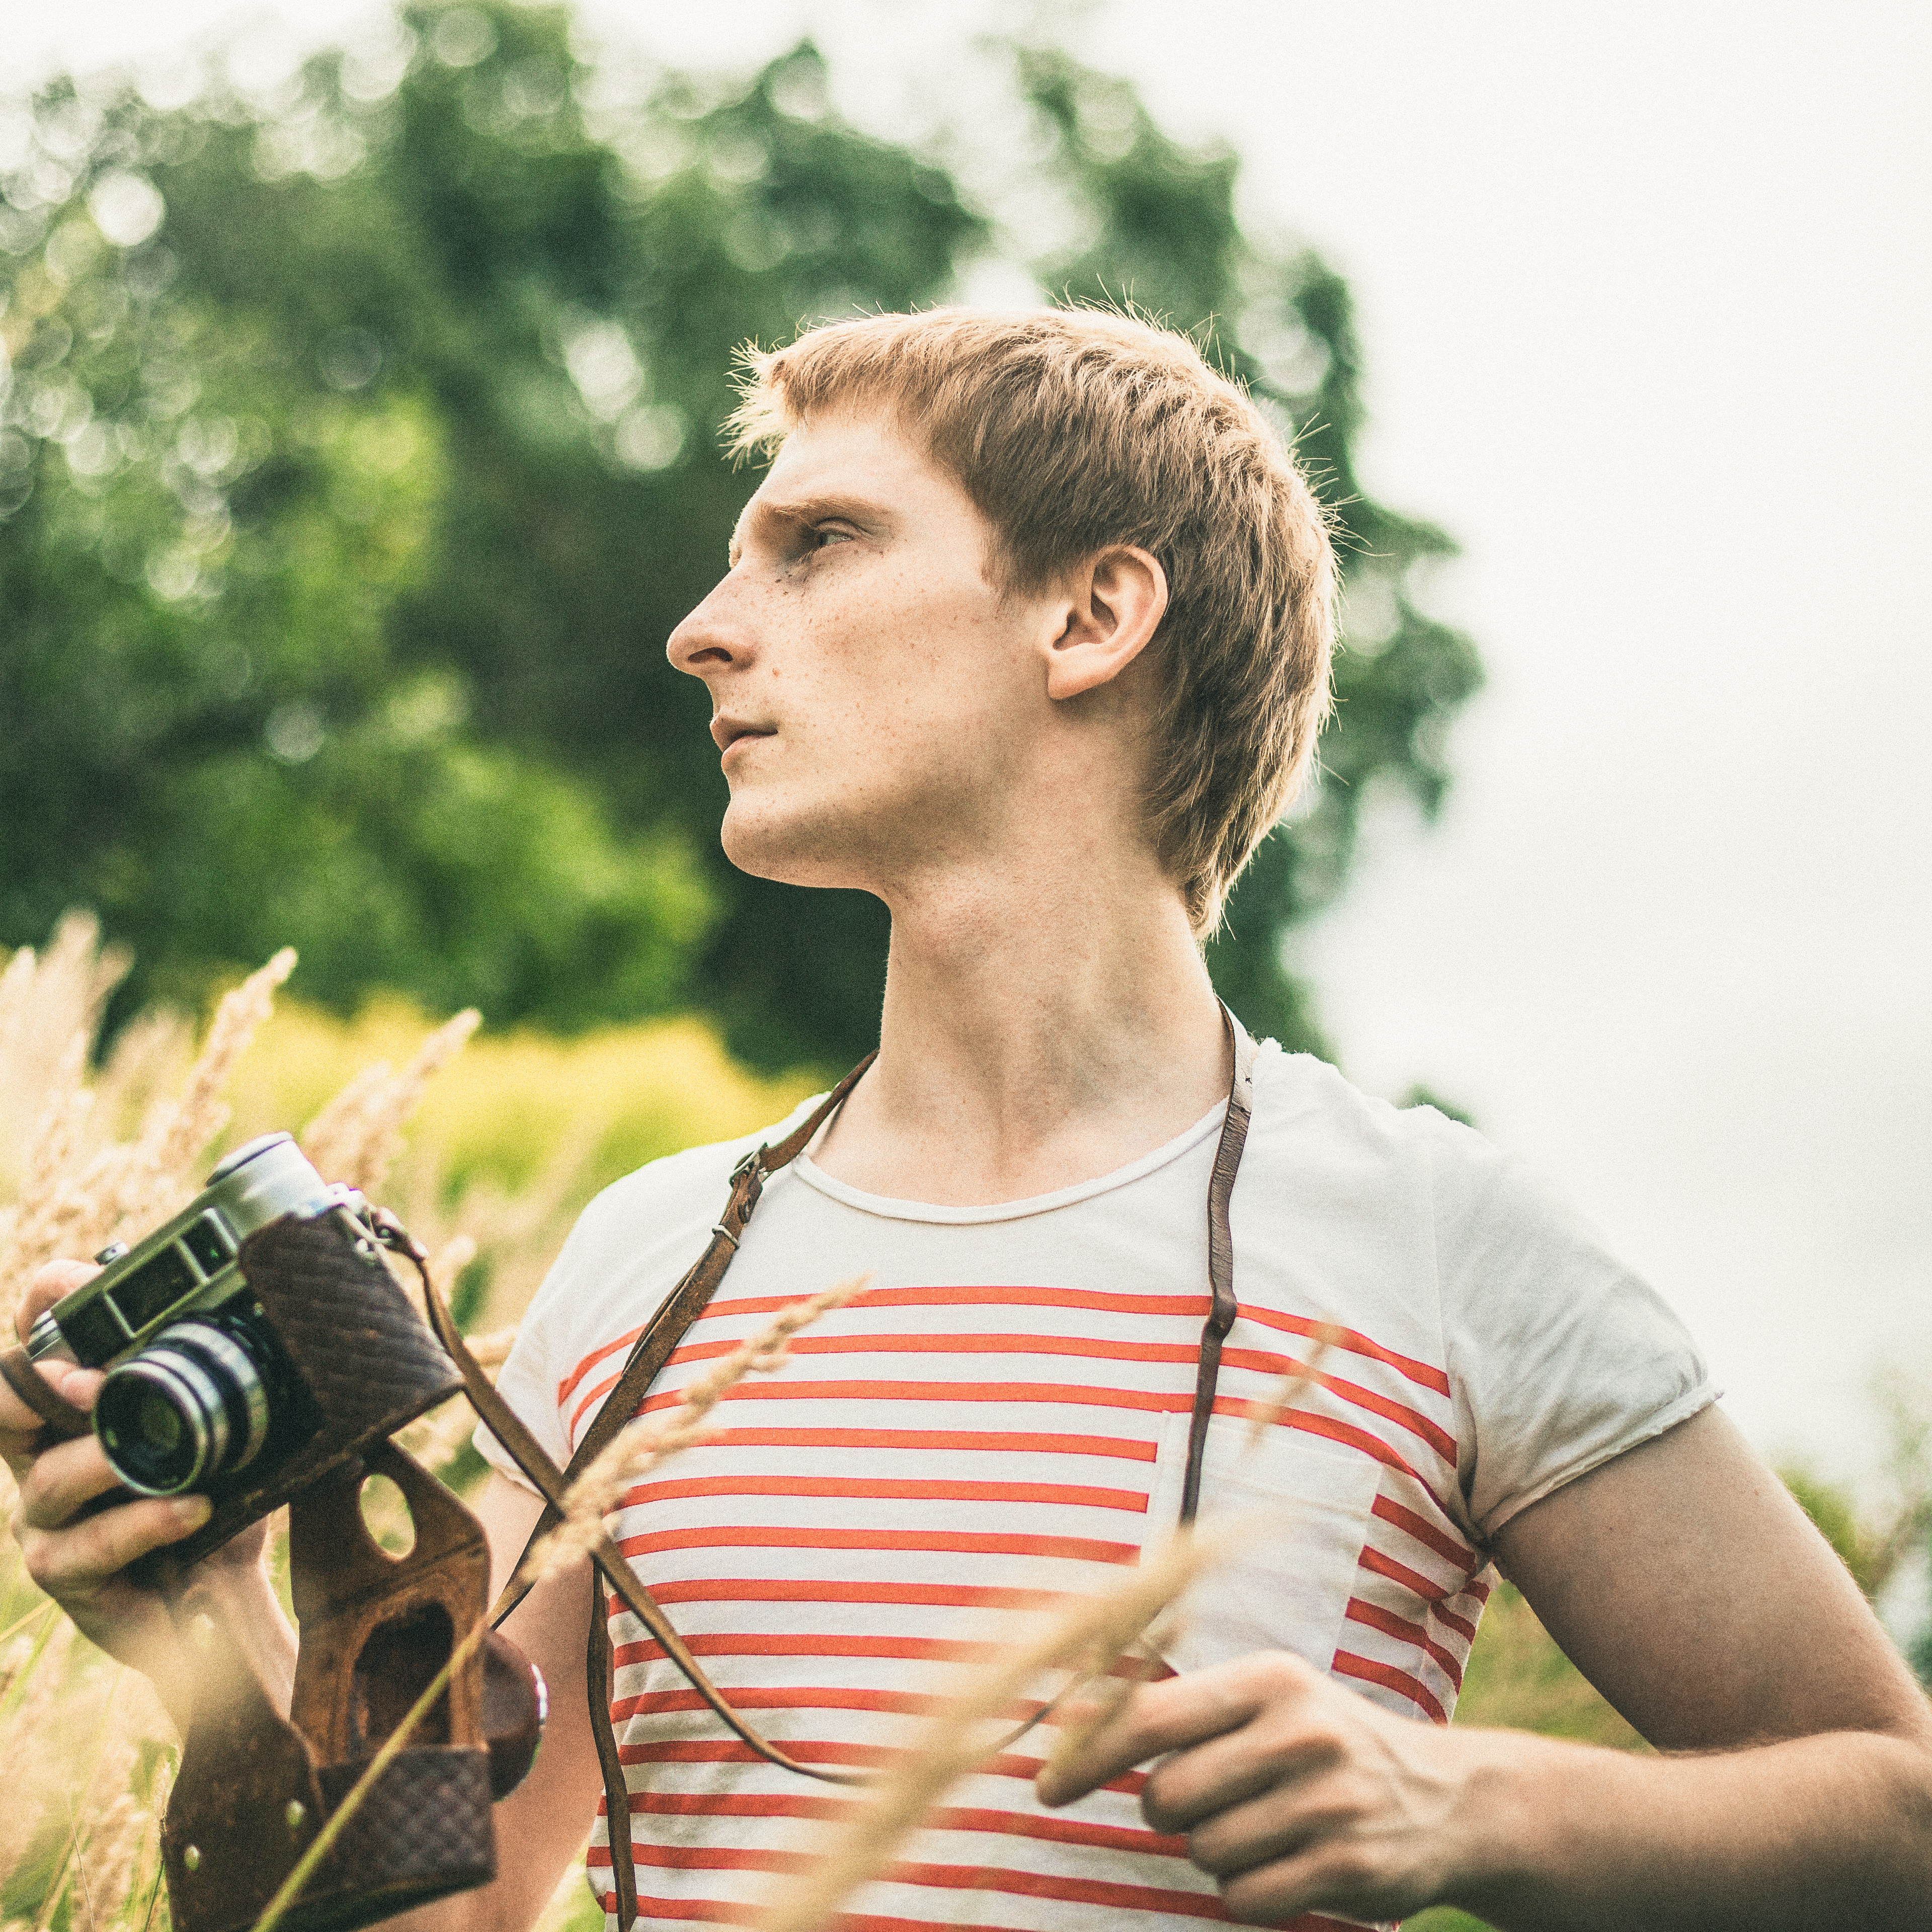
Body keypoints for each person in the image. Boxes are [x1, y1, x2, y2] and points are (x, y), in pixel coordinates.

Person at [8, 307, 1931, 1932]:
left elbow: (1891, 1812)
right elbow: (458, 1907)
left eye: (817, 544)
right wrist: (218, 1650)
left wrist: (1466, 1806)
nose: (700, 626)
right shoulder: (654, 1266)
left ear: (1090, 613)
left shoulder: (1440, 1237)